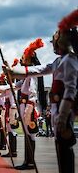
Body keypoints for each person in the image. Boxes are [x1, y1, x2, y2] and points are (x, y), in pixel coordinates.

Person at [5, 9, 78, 173]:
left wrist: (64, 115)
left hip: (63, 110)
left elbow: (70, 92)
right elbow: (38, 69)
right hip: (57, 110)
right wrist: (13, 71)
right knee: (61, 149)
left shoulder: (70, 60)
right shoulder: (59, 61)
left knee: (65, 150)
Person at [0, 38, 45, 170]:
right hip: (24, 106)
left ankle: (30, 162)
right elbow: (13, 85)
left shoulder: (32, 75)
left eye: (25, 58)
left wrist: (28, 110)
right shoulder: (25, 78)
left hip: (28, 106)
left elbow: (33, 94)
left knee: (30, 134)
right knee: (27, 134)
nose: (23, 60)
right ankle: (27, 160)